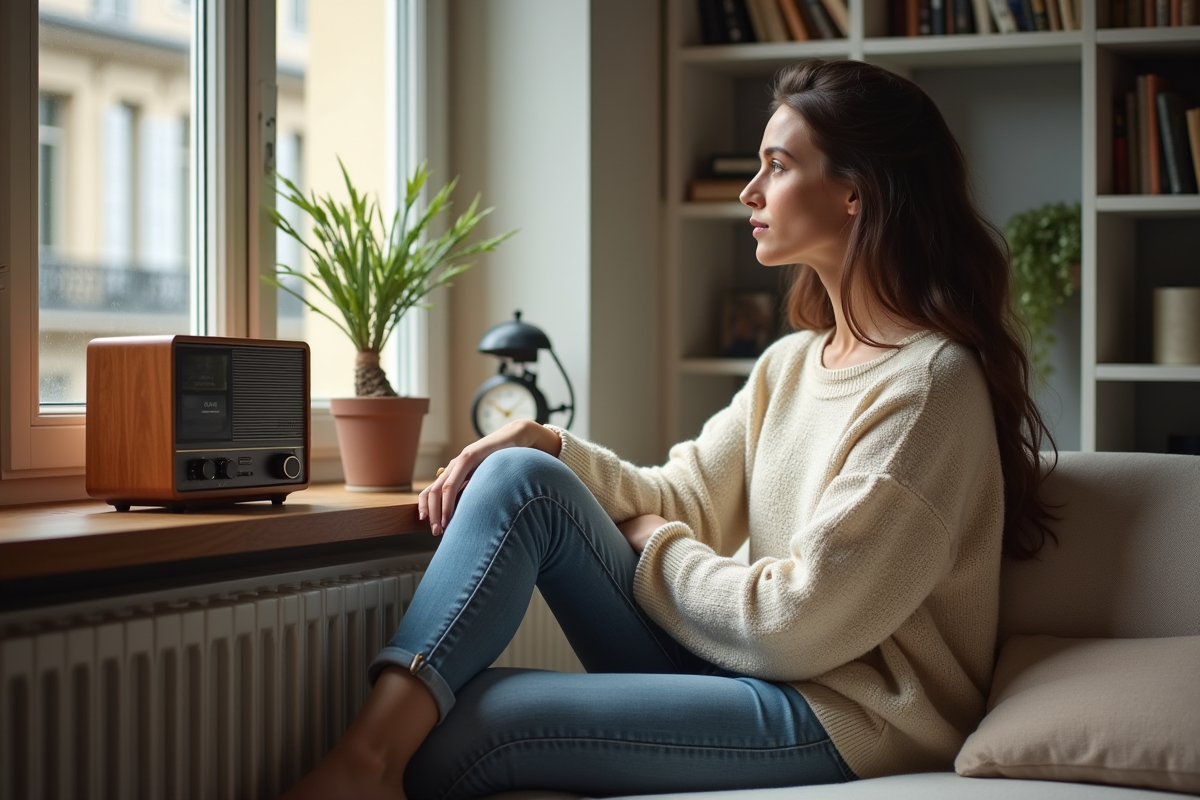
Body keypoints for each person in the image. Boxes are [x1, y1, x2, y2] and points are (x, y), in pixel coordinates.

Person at [282, 58, 1056, 800]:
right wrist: (549, 443)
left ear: (855, 193)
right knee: (523, 478)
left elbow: (797, 623)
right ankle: (362, 763)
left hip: (851, 718)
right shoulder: (790, 364)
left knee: (464, 731)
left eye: (778, 166)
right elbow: (680, 495)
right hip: (752, 672)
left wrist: (657, 543)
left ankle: (366, 767)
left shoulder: (930, 385)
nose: (751, 190)